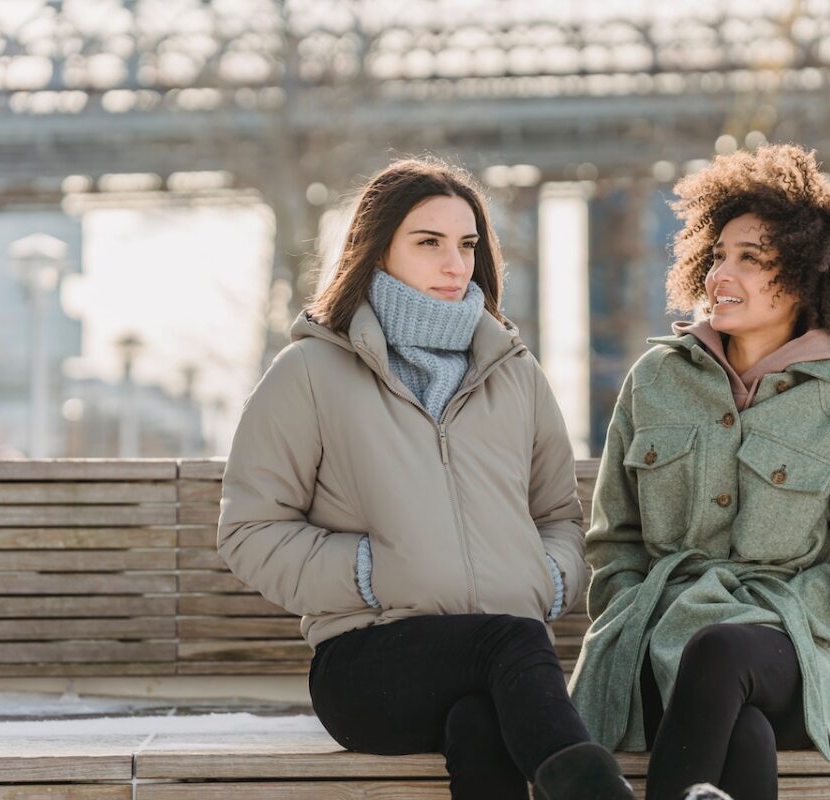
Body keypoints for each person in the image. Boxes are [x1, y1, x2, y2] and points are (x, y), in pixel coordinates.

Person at [218, 157, 632, 800]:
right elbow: (250, 531)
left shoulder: (515, 373)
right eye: (429, 242)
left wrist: (546, 578)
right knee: (512, 644)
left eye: (467, 245)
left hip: (505, 669)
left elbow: (558, 516)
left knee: (484, 723)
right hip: (370, 661)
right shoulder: (310, 372)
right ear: (377, 250)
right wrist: (368, 571)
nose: (455, 264)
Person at [569, 144, 830, 800]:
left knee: (723, 651)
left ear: (812, 277)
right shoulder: (656, 380)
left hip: (789, 650)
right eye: (719, 253)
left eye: (751, 259)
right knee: (745, 736)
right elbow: (615, 541)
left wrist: (774, 611)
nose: (722, 273)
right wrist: (632, 608)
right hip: (654, 640)